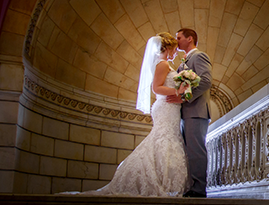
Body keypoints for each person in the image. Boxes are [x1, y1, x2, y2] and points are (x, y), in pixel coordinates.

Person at [78, 32, 190, 196]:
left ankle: (163, 178)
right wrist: (177, 90)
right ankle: (158, 179)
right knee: (164, 137)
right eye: (174, 49)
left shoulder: (162, 63)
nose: (175, 52)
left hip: (169, 106)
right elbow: (156, 88)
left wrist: (180, 93)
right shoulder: (163, 64)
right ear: (167, 47)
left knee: (166, 137)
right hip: (165, 106)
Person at [167, 28, 212, 198]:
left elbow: (206, 81)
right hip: (185, 113)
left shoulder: (199, 56)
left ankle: (199, 190)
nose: (176, 40)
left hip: (196, 111)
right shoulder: (183, 61)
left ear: (190, 38)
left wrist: (185, 99)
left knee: (196, 151)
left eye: (179, 37)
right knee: (188, 152)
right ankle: (190, 186)